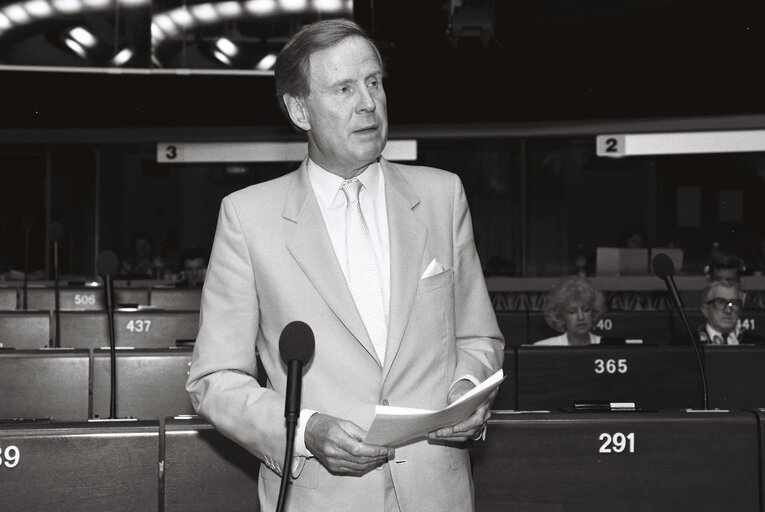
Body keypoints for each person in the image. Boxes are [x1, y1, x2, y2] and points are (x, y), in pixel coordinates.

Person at [186, 19, 504, 512]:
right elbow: (215, 380)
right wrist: (305, 430)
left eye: (374, 82)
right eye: (343, 88)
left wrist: (467, 390)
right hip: (319, 497)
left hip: (437, 493)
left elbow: (478, 338)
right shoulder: (248, 217)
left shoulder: (442, 195)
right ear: (299, 110)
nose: (367, 103)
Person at [535, 276, 606, 346]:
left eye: (586, 310)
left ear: (593, 313)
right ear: (560, 317)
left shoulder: (607, 347)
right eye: (572, 312)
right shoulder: (544, 347)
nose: (581, 317)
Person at [697, 280, 763, 345]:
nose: (728, 310)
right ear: (705, 310)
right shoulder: (689, 344)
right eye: (720, 302)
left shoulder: (759, 345)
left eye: (734, 303)